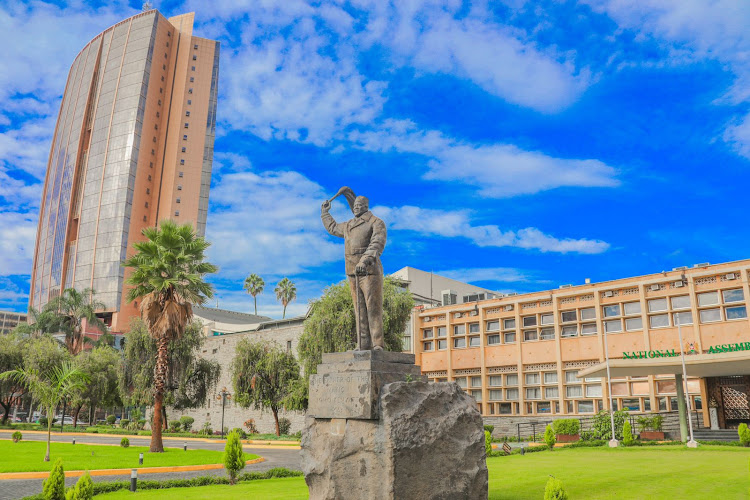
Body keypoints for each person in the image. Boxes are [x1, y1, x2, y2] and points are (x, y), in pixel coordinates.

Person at [321, 193, 387, 350]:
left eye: (359, 205)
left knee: (373, 308)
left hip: (369, 271)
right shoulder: (349, 225)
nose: (356, 207)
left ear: (366, 207)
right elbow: (333, 228)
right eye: (355, 205)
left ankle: (378, 344)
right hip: (352, 272)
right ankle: (363, 344)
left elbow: (377, 243)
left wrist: (364, 261)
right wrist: (325, 213)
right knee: (359, 311)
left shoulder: (376, 222)